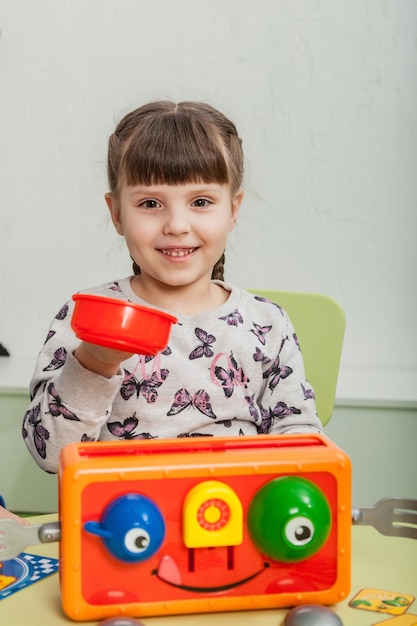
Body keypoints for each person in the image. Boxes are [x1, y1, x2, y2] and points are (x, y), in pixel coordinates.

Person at [23, 100, 323, 474]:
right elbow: (51, 456)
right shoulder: (88, 315)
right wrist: (94, 364)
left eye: (200, 201)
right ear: (117, 213)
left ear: (233, 209)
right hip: (121, 524)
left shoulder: (267, 323)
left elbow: (298, 437)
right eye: (150, 203)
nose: (177, 225)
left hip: (233, 520)